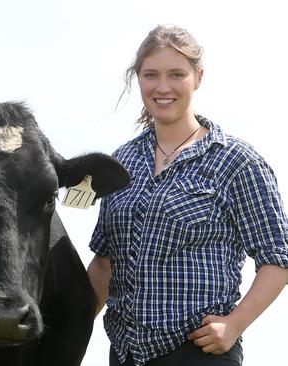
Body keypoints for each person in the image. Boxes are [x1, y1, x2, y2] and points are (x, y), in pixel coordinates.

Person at [87, 24, 288, 366]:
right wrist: (65, 331)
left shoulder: (236, 162)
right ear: (138, 79)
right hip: (124, 355)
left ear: (198, 77)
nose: (162, 87)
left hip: (198, 352)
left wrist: (235, 324)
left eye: (176, 74)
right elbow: (105, 263)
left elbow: (277, 258)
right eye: (151, 75)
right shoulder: (121, 162)